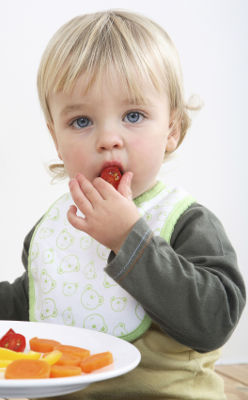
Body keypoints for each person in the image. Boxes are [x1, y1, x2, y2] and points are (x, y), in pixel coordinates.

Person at [0, 9, 246, 400]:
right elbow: (34, 297)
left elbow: (215, 321)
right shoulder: (53, 226)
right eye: (81, 121)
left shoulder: (187, 221)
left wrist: (131, 239)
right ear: (55, 138)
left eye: (133, 115)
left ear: (172, 129)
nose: (108, 138)